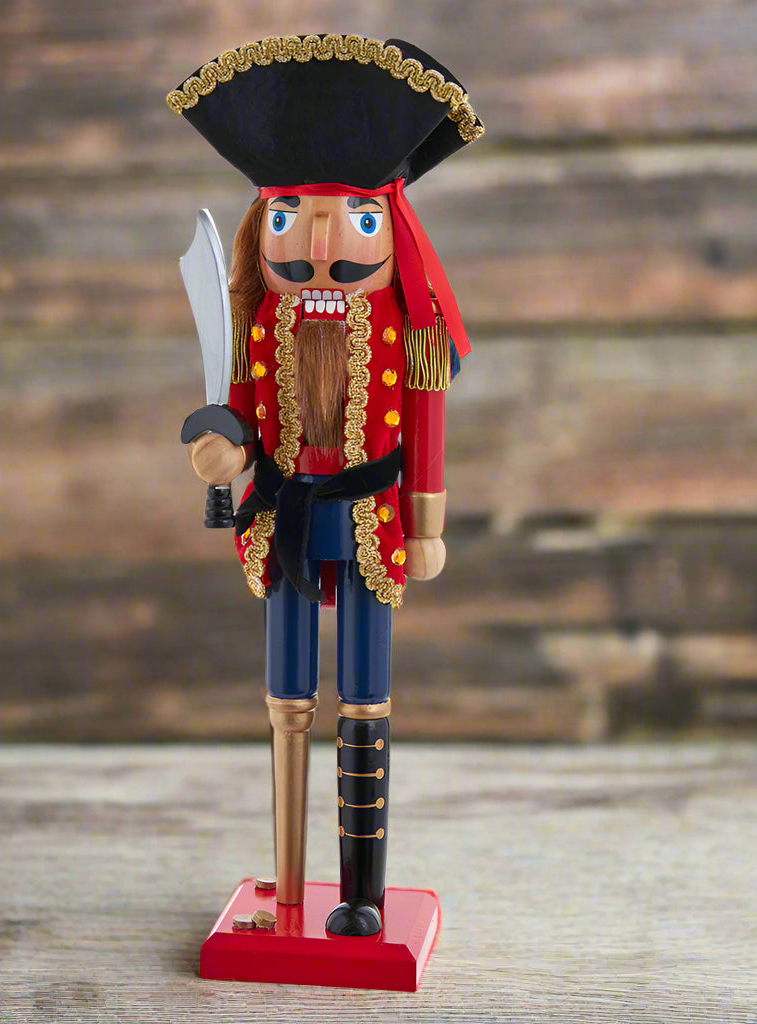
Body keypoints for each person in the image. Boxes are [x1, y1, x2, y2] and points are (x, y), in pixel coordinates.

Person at [167, 33, 484, 937]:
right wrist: (223, 452)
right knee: (286, 699)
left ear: (391, 225)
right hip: (283, 518)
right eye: (290, 215)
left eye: (352, 220)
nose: (317, 243)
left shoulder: (402, 327)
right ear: (260, 224)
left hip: (374, 517)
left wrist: (427, 523)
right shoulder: (258, 322)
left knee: (366, 696)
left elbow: (426, 424)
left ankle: (360, 893)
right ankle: (287, 887)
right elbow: (234, 416)